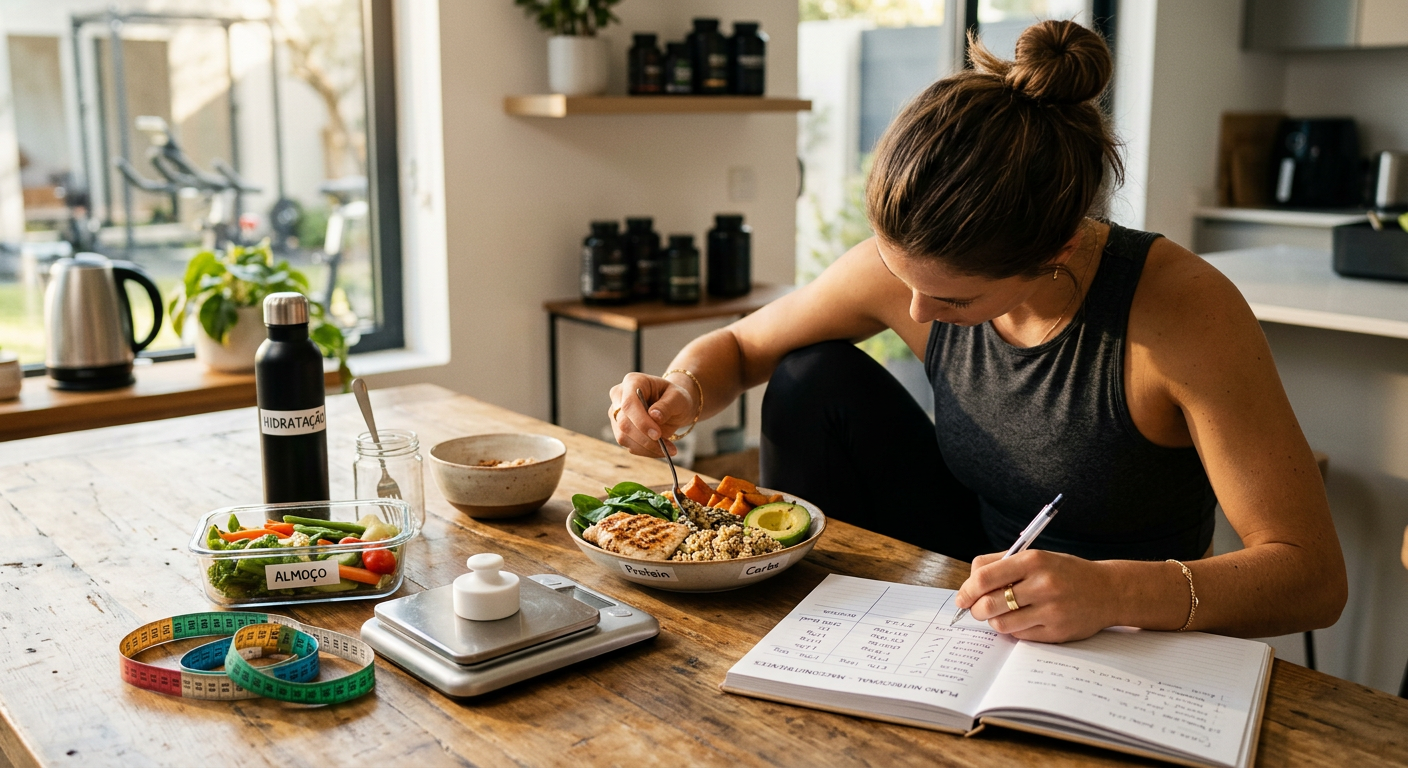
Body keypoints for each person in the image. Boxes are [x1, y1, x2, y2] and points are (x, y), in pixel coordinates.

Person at [607, 20, 1346, 643]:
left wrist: (1114, 594)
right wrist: (684, 387)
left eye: (954, 300)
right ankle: (812, 633)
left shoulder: (1183, 313)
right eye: (906, 281)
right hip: (973, 571)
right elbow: (741, 347)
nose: (919, 315)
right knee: (810, 376)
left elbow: (1311, 578)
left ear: (1055, 250)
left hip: (1132, 619)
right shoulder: (910, 278)